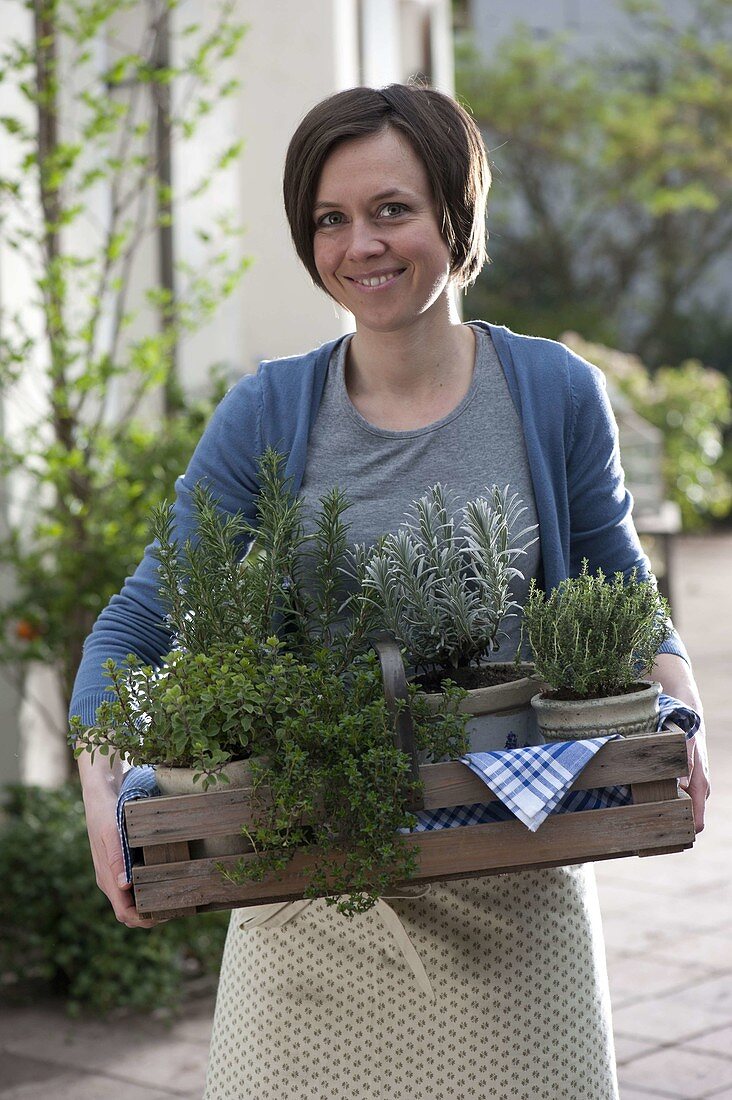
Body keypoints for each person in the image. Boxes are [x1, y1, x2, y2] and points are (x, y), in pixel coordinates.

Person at [70, 83, 710, 1100]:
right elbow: (141, 618)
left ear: (456, 216)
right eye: (331, 218)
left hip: (518, 879)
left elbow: (622, 591)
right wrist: (105, 796)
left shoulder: (551, 392)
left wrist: (682, 716)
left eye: (392, 209)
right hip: (312, 887)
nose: (360, 243)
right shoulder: (268, 413)